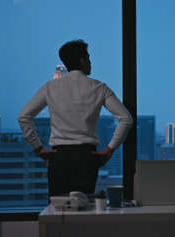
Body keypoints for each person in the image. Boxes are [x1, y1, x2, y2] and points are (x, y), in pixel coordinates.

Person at [18, 39, 133, 197]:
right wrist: (109, 149)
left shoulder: (50, 87)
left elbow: (24, 116)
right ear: (82, 60)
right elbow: (126, 119)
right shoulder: (99, 88)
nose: (91, 62)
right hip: (86, 158)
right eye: (88, 58)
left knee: (58, 211)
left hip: (59, 157)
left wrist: (38, 148)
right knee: (83, 210)